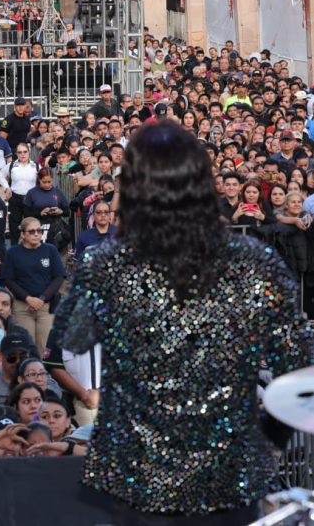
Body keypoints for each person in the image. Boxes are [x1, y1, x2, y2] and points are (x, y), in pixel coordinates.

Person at [57, 121, 311, 523]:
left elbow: (70, 336)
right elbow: (300, 369)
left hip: (140, 473)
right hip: (226, 468)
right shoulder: (253, 260)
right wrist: (265, 437)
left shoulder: (109, 262)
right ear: (202, 180)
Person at [0, 217, 65, 357]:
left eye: (39, 231)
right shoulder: (13, 252)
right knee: (26, 347)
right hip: (22, 306)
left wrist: (41, 299)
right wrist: (28, 298)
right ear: (23, 234)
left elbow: (59, 277)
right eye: (32, 231)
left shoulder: (50, 250)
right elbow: (8, 279)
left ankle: (45, 378)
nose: (36, 234)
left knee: (46, 349)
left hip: (46, 306)